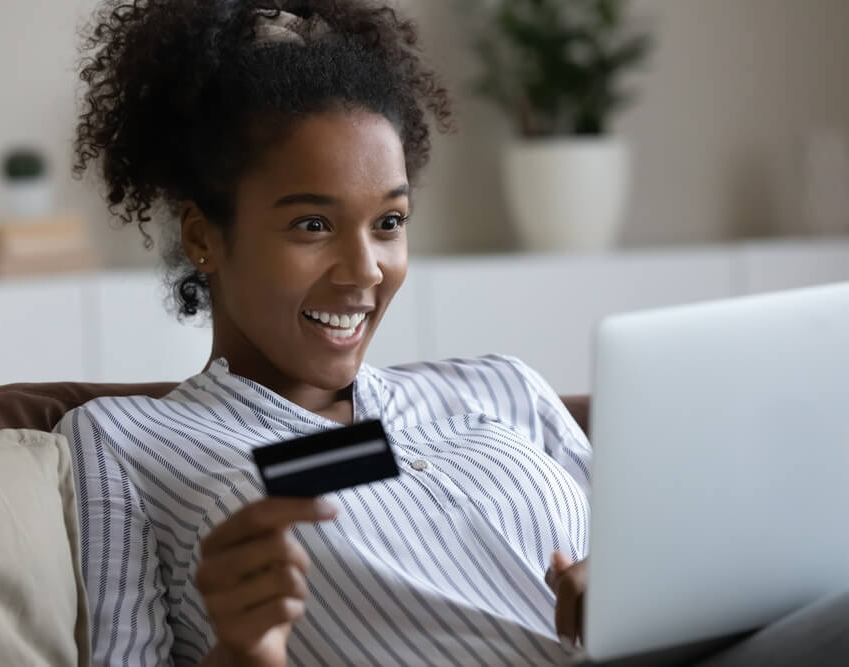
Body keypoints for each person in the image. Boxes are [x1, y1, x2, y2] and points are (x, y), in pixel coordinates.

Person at [57, 2, 848, 666]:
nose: (364, 269)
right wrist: (241, 651)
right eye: (311, 223)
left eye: (390, 222)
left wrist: (640, 592)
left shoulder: (498, 387)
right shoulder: (126, 441)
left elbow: (673, 571)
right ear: (204, 236)